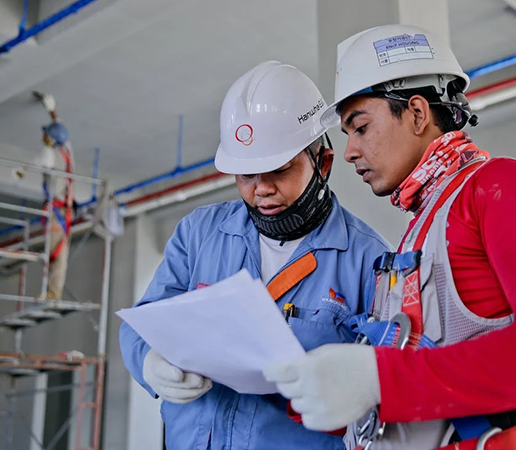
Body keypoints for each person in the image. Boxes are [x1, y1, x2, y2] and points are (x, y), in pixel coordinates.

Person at [263, 25, 516, 450]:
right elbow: (419, 378)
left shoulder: (501, 186)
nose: (349, 150)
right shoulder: (421, 229)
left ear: (418, 113)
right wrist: (325, 388)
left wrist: (380, 379)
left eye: (360, 127)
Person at [119, 61, 390, 450]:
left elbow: (384, 387)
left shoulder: (368, 260)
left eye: (278, 170)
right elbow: (142, 322)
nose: (261, 189)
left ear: (323, 163)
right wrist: (149, 362)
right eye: (246, 175)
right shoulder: (199, 234)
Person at [13, 93, 75, 300]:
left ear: (50, 139)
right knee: (58, 250)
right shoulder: (66, 149)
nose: (43, 136)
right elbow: (60, 128)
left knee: (55, 253)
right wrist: (52, 110)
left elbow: (37, 160)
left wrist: (21, 170)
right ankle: (53, 291)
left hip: (56, 211)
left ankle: (52, 292)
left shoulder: (50, 155)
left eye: (46, 135)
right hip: (63, 209)